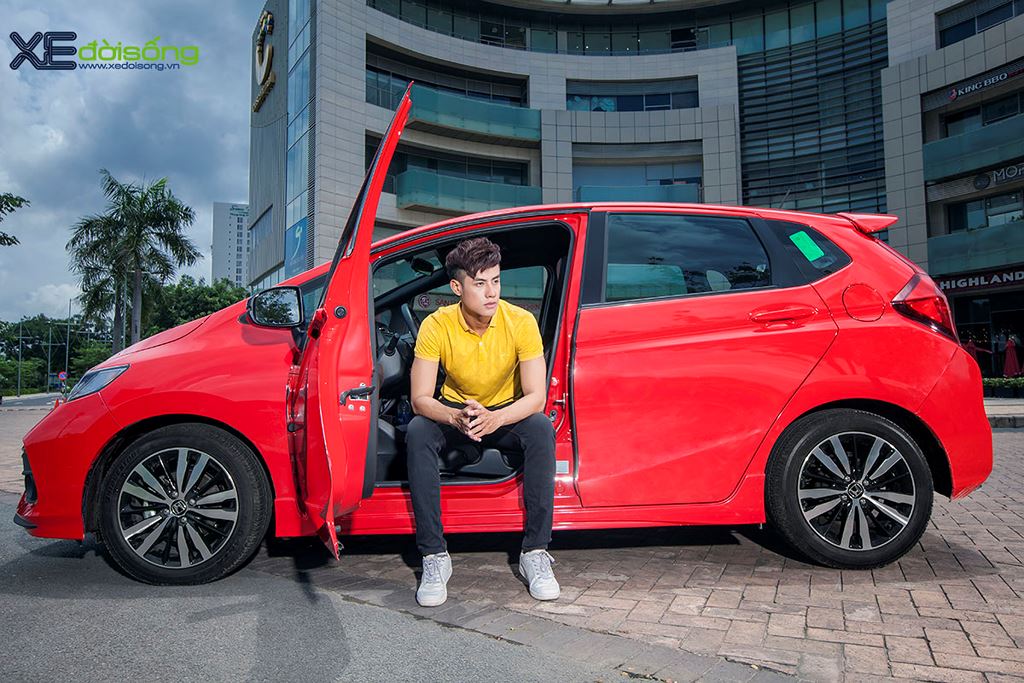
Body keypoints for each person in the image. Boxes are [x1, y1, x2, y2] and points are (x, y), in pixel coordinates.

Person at [406, 236, 558, 607]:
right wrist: (455, 417)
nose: (491, 292)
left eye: (496, 281)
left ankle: (535, 553)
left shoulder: (520, 321)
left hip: (505, 413)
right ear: (457, 288)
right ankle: (434, 556)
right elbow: (420, 398)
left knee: (540, 428)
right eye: (479, 283)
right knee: (418, 431)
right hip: (457, 413)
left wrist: (496, 418)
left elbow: (536, 397)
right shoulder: (436, 325)